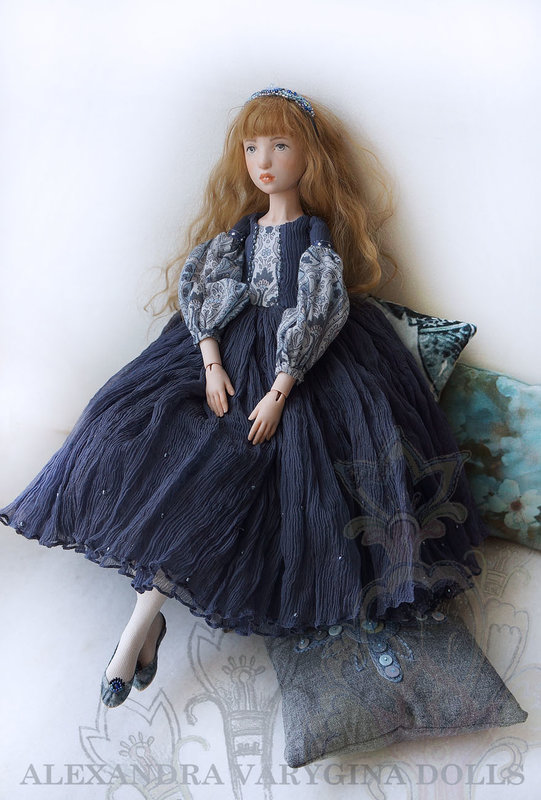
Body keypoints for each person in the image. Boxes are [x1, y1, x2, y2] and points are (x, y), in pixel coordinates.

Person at [0, 87, 491, 708]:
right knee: (140, 435)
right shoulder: (239, 235)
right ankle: (141, 631)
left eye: (280, 146)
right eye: (253, 147)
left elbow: (318, 311)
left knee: (237, 475)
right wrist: (211, 364)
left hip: (298, 364)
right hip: (227, 357)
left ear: (307, 157)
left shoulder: (313, 237)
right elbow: (201, 295)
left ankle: (136, 634)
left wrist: (282, 388)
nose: (264, 160)